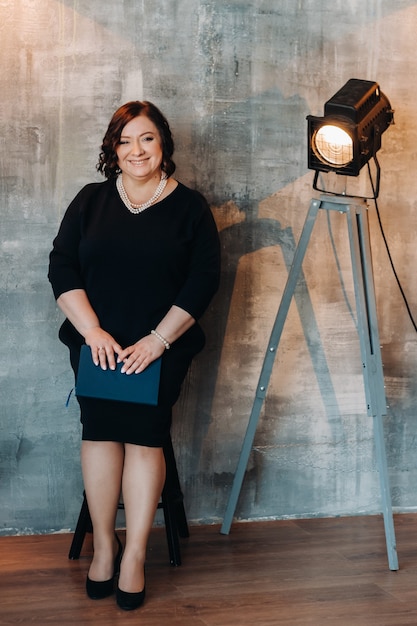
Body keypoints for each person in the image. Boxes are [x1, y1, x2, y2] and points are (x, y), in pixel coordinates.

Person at [48, 101, 220, 611]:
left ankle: (135, 556)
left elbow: (203, 280)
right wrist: (93, 332)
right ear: (112, 149)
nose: (135, 150)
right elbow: (62, 268)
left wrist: (157, 341)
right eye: (124, 140)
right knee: (99, 434)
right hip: (96, 345)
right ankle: (105, 545)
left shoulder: (190, 208)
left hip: (161, 348)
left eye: (145, 138)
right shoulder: (90, 201)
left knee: (146, 440)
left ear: (163, 143)